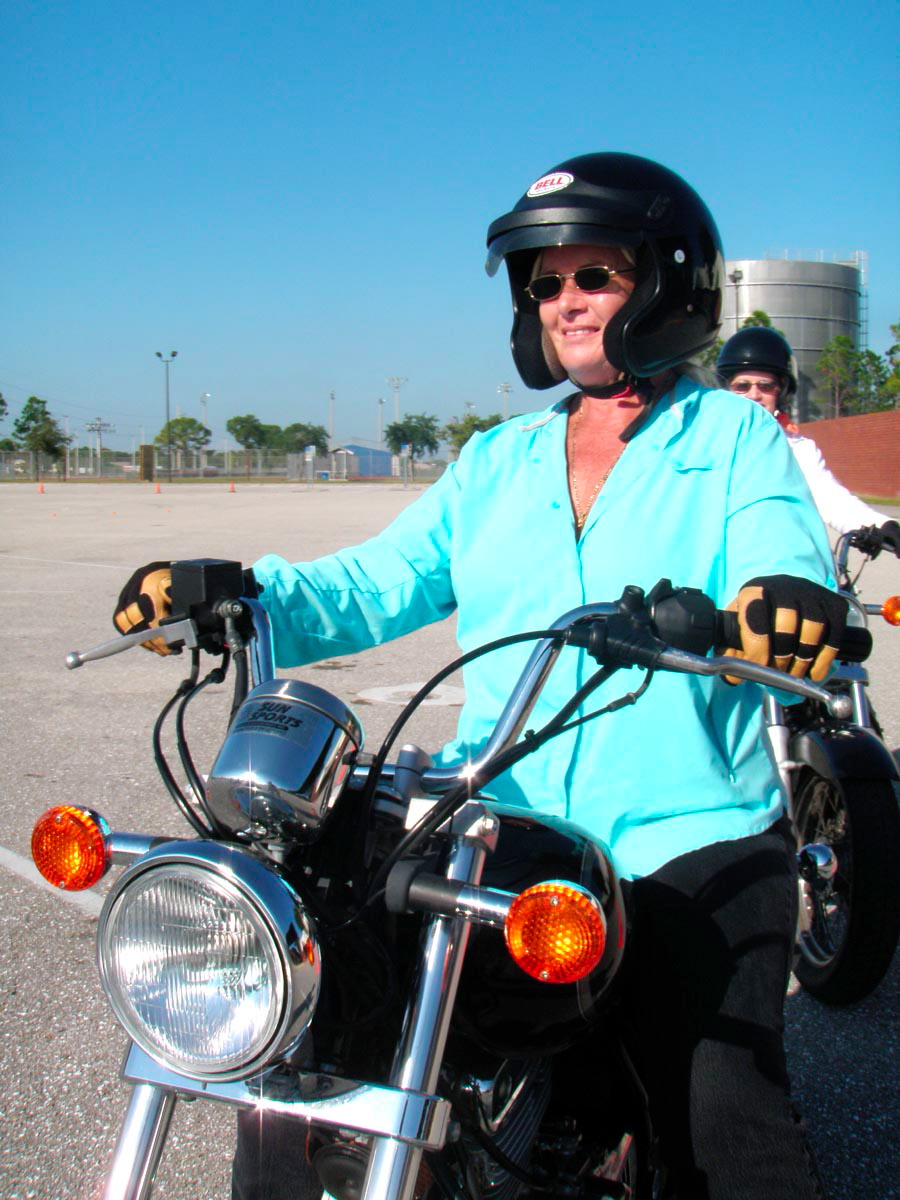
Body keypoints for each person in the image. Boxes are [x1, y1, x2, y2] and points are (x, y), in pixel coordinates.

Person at [115, 153, 845, 1199]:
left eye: (594, 275)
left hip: (687, 834)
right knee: (316, 1053)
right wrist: (239, 592)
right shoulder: (497, 459)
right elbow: (377, 581)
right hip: (500, 824)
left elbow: (780, 547)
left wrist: (787, 601)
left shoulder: (734, 439)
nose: (565, 301)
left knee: (723, 1109)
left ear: (668, 282)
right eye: (546, 283)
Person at [717, 327, 900, 548]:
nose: (754, 395)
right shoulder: (707, 441)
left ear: (782, 392)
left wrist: (881, 526)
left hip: (775, 555)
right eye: (742, 386)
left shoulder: (797, 448)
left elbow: (829, 498)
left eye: (766, 386)